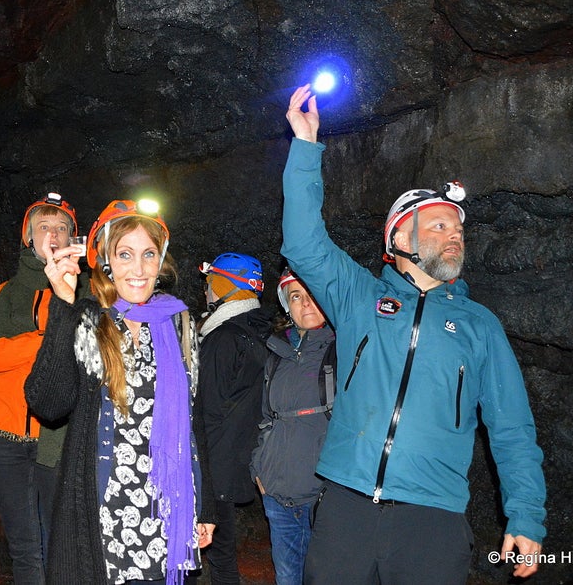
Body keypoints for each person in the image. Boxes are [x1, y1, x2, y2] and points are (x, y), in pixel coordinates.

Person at [281, 84, 547, 584]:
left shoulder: (480, 326)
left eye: (459, 231)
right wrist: (306, 146)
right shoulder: (358, 297)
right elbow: (302, 241)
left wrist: (526, 515)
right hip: (346, 508)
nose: (454, 236)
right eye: (440, 225)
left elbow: (512, 428)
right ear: (399, 238)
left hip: (433, 518)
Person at [25, 199, 217, 584]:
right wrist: (62, 305)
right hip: (104, 504)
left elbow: (194, 420)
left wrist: (204, 502)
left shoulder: (180, 322)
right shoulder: (87, 319)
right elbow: (48, 403)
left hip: (166, 506)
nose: (139, 268)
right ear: (106, 260)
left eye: (149, 254)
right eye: (125, 254)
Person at [0, 193, 85, 584]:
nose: (52, 235)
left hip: (60, 435)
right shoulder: (3, 294)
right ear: (28, 237)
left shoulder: (82, 294)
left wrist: (22, 346)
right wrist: (43, 339)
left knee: (60, 542)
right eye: (43, 227)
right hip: (5, 436)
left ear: (73, 237)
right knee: (23, 547)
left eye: (61, 228)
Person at [250, 268, 336, 585]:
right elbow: (265, 417)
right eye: (296, 296)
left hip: (324, 497)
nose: (305, 303)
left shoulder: (343, 350)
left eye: (311, 293)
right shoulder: (277, 353)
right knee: (288, 578)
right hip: (277, 494)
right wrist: (258, 468)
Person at [196, 253, 273, 584]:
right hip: (238, 458)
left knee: (219, 557)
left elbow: (205, 408)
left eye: (211, 282)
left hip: (215, 464)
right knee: (222, 555)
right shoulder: (260, 333)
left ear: (228, 284)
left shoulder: (223, 338)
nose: (206, 290)